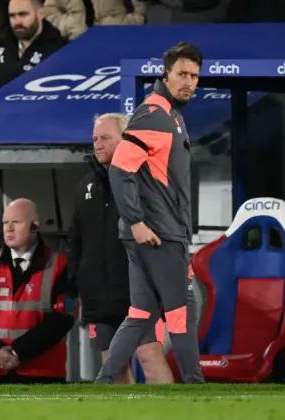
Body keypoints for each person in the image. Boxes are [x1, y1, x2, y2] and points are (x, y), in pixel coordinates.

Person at [95, 41, 205, 384]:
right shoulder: (155, 113)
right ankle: (196, 387)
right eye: (182, 74)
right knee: (180, 314)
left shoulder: (169, 115)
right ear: (165, 74)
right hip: (158, 232)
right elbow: (120, 169)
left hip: (153, 230)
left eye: (194, 75)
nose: (188, 81)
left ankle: (104, 382)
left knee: (141, 314)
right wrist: (137, 221)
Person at [69, 113, 174, 384]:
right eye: (95, 138)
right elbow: (76, 240)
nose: (97, 144)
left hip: (136, 288)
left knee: (149, 354)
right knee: (112, 363)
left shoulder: (145, 181)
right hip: (99, 294)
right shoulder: (85, 187)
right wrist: (77, 279)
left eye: (105, 137)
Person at [0, 198, 74, 384]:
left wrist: (19, 351)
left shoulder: (60, 265)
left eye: (15, 222)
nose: (8, 229)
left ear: (34, 226)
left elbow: (64, 317)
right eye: (5, 223)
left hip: (44, 373)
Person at [0, 0, 67, 94]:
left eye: (23, 14)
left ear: (41, 14)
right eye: (12, 16)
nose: (17, 21)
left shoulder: (60, 50)